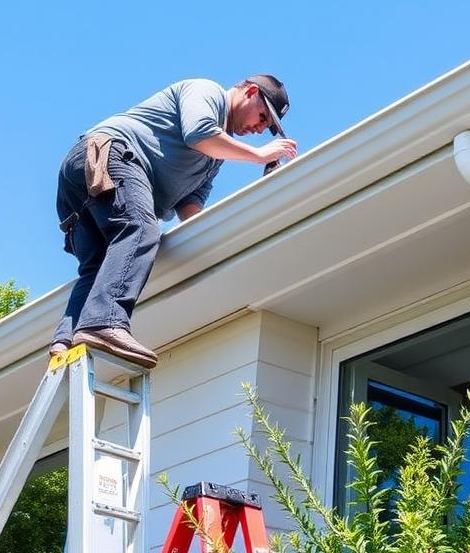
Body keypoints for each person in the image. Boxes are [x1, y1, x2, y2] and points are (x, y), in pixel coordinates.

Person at [49, 75, 298, 368]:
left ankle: (64, 341)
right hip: (106, 155)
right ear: (250, 92)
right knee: (141, 228)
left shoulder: (213, 160)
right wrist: (258, 156)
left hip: (86, 180)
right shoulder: (208, 93)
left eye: (266, 128)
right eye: (262, 117)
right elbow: (199, 133)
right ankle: (105, 322)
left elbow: (189, 207)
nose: (259, 129)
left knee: (99, 266)